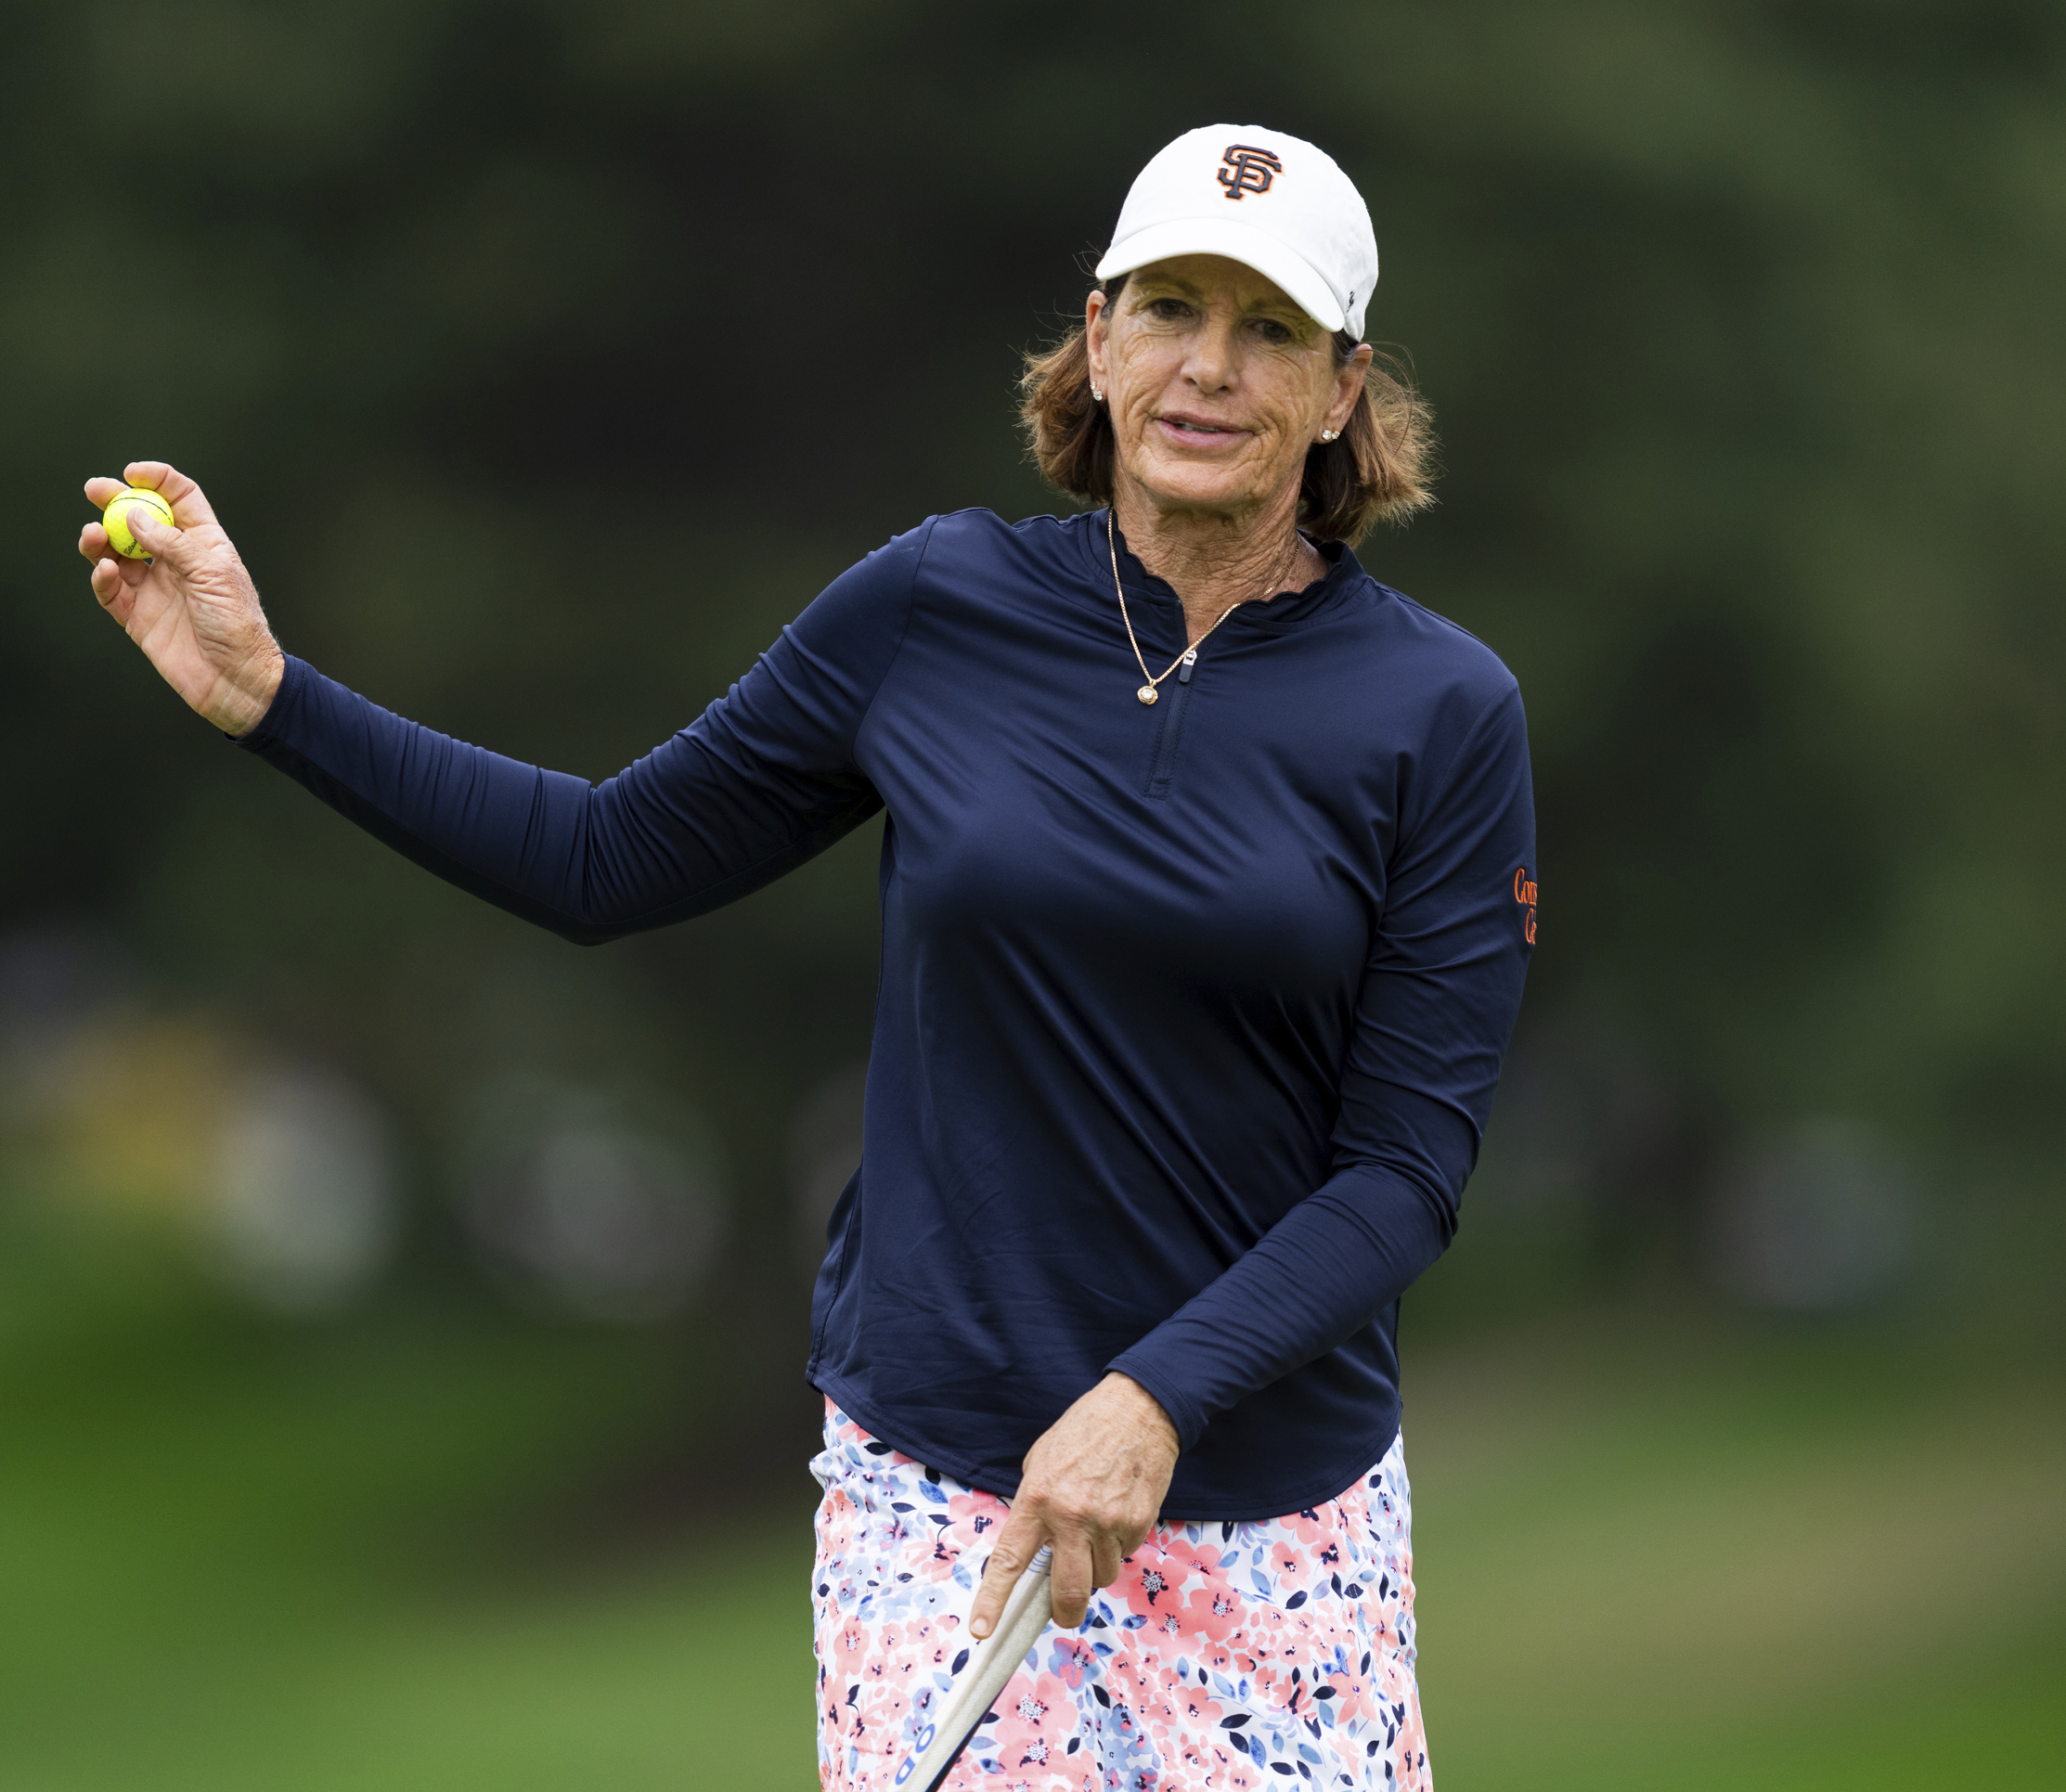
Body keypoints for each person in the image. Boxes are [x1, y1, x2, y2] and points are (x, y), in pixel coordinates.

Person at [77, 123, 1533, 1791]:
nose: (1210, 366)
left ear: (1344, 391)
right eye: (1171, 309)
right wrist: (273, 698)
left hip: (1279, 1534)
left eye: (1270, 328)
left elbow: (1406, 1170)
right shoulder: (934, 607)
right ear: (1099, 333)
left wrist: (1157, 1395)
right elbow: (604, 856)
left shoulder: (1439, 713)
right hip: (944, 1498)